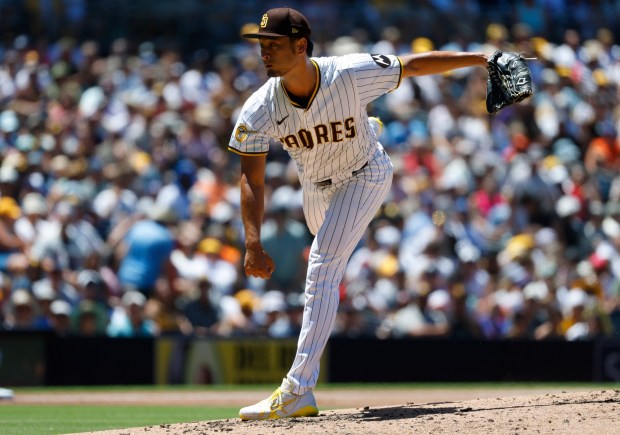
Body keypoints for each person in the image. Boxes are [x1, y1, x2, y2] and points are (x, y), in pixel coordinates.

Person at [228, 7, 489, 420]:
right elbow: (251, 180)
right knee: (324, 250)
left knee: (322, 264)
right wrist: (252, 240)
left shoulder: (347, 73)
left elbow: (415, 64)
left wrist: (479, 58)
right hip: (314, 187)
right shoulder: (259, 108)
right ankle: (364, 124)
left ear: (301, 45)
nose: (264, 53)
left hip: (365, 173)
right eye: (261, 45)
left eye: (273, 44)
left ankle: (297, 389)